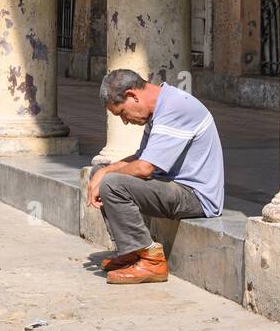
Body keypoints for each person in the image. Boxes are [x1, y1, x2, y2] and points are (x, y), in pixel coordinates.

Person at [87, 68, 224, 284]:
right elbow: (142, 158)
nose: (125, 121)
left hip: (196, 196)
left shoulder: (174, 107)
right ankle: (131, 252)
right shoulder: (159, 109)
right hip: (170, 186)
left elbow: (144, 169)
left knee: (112, 183)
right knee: (99, 172)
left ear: (132, 96)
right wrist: (103, 171)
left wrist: (107, 175)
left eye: (122, 113)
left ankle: (151, 261)